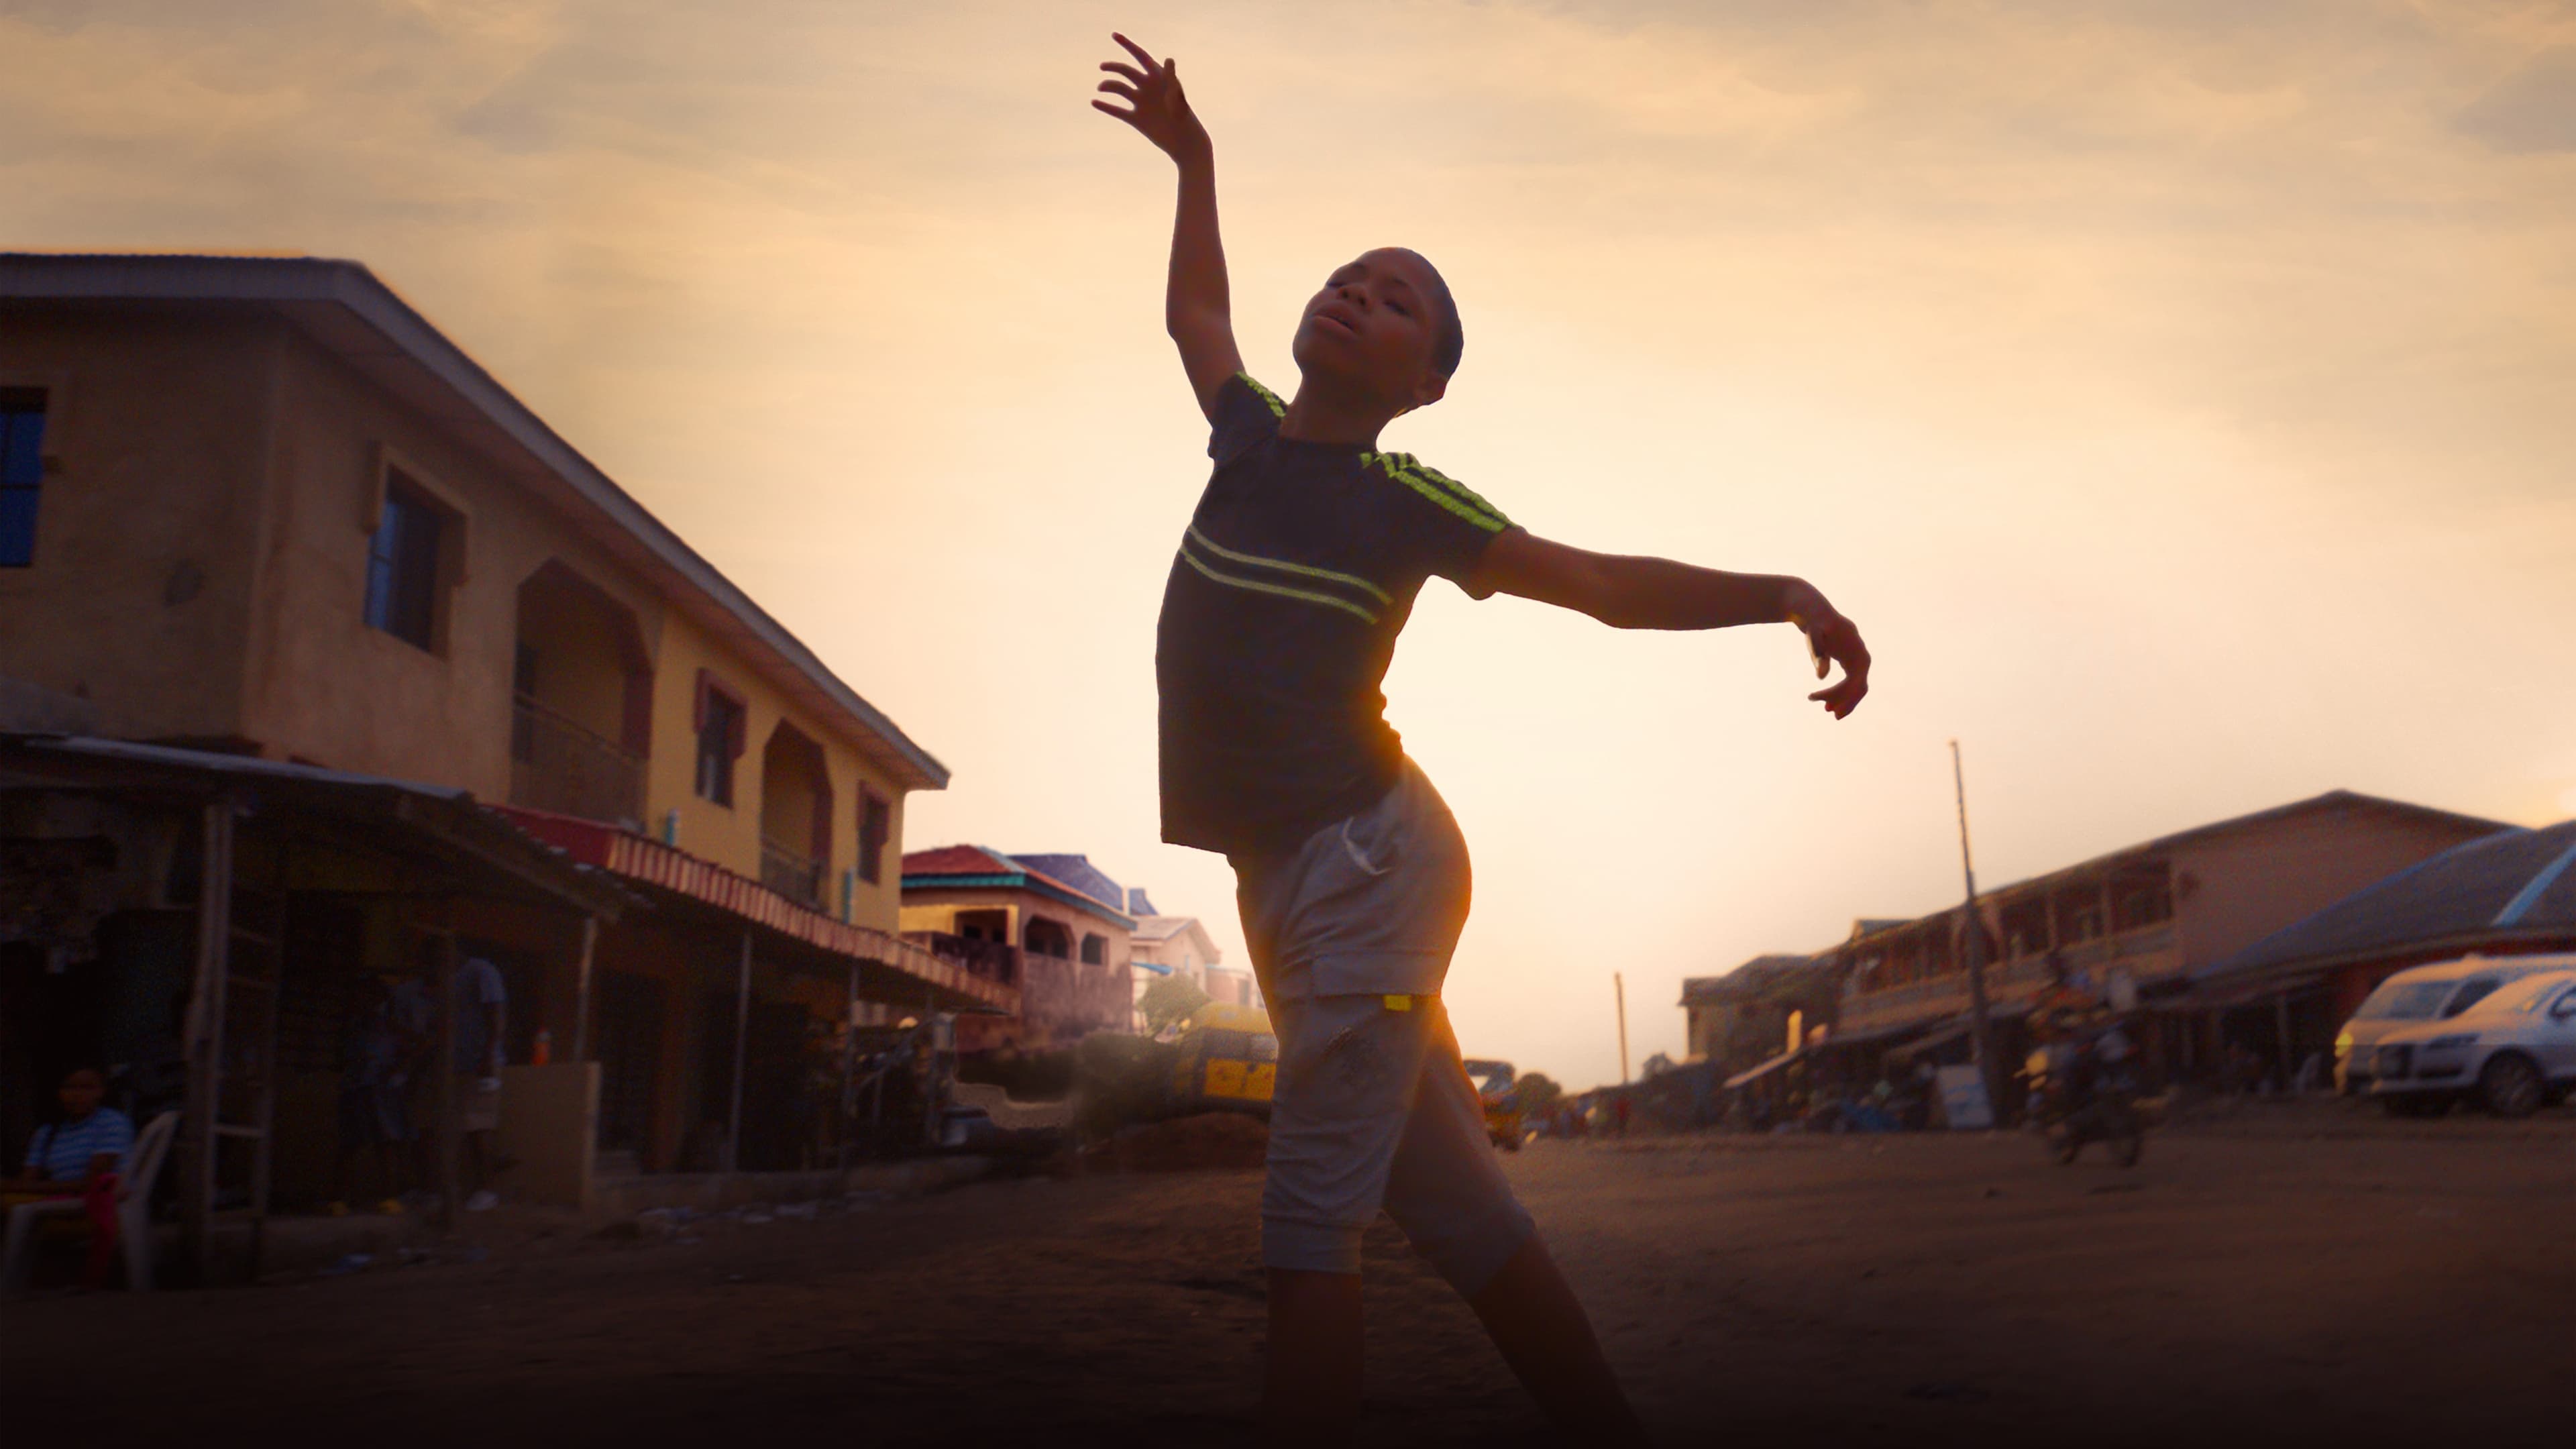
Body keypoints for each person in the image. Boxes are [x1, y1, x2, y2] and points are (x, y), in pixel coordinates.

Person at [1094, 34, 1872, 1442]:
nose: (1356, 294)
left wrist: (1776, 596)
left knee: (1308, 1228)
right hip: (1284, 879)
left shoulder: (1410, 503)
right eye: (1349, 275)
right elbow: (1196, 315)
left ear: (1424, 383)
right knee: (1458, 1210)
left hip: (1365, 867)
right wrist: (1197, 162)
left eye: (1398, 300)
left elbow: (1599, 589)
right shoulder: (1249, 438)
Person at [4, 1067, 134, 1288]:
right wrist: (17, 1186)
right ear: (59, 1093)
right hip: (54, 1198)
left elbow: (92, 1184)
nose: (77, 1094)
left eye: (87, 1087)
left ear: (101, 1092)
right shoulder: (48, 1133)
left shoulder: (111, 1123)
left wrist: (16, 1186)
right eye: (70, 1088)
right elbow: (27, 1182)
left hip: (95, 1200)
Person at [453, 953, 508, 1211]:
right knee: (466, 1127)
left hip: (481, 1062)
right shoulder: (451, 979)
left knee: (479, 1127)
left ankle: (487, 1190)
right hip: (462, 1063)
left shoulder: (481, 971)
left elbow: (495, 1014)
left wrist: (487, 1055)